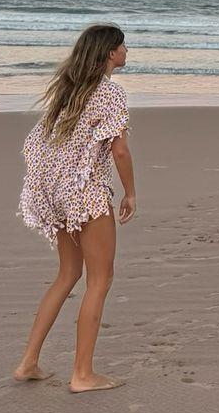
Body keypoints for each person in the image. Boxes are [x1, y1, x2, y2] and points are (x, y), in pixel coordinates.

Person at [14, 23, 136, 393]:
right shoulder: (111, 94)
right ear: (109, 53)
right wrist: (130, 193)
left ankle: (28, 362)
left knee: (67, 275)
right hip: (86, 195)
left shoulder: (67, 93)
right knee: (100, 281)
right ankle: (82, 374)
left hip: (59, 195)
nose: (127, 51)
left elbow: (43, 147)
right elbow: (119, 150)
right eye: (122, 46)